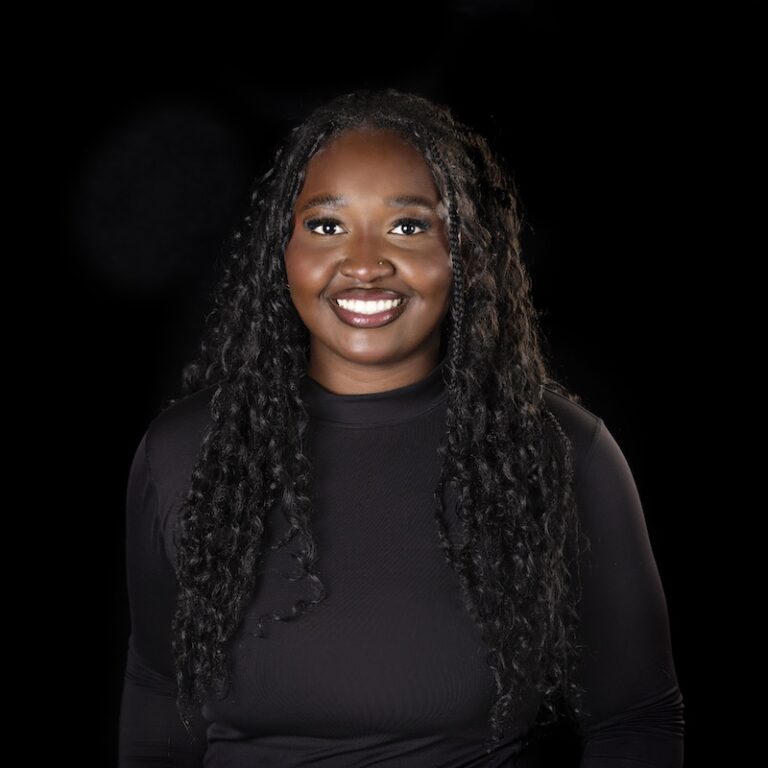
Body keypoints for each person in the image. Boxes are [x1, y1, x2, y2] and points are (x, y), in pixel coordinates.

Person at [118, 88, 685, 767]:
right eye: (327, 225)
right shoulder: (185, 453)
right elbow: (157, 699)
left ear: (462, 251)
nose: (363, 262)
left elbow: (637, 719)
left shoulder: (561, 453)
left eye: (408, 226)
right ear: (284, 250)